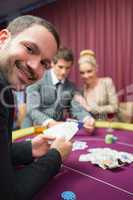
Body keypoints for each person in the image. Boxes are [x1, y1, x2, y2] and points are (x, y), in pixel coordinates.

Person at [0, 15, 72, 200]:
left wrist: (31, 148)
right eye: (30, 48)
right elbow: (8, 195)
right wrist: (55, 156)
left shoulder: (6, 90)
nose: (34, 66)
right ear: (3, 39)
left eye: (44, 63)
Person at [22, 47, 95, 132]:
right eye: (60, 67)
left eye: (67, 68)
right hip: (32, 129)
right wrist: (49, 122)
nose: (64, 72)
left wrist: (87, 118)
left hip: (56, 132)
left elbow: (77, 109)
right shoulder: (37, 78)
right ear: (52, 63)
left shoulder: (71, 87)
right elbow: (32, 109)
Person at [73, 49, 118, 120]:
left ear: (96, 68)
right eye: (82, 73)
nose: (86, 76)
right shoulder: (82, 90)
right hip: (92, 126)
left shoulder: (107, 82)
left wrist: (91, 109)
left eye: (89, 71)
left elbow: (114, 107)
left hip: (109, 124)